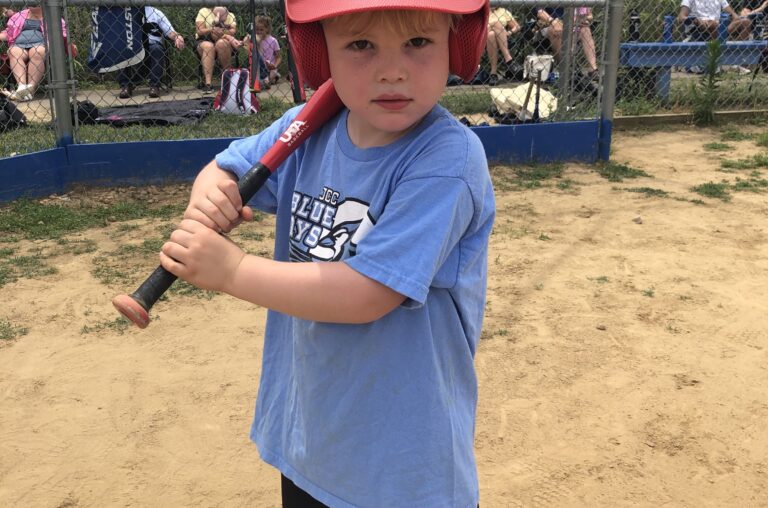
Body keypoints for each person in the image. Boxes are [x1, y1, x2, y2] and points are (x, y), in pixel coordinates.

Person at [158, 0, 495, 506]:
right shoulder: (308, 127)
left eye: (418, 42)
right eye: (361, 45)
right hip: (313, 443)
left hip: (400, 468)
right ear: (321, 56)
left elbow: (367, 293)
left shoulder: (446, 158)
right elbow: (227, 165)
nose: (392, 69)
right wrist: (212, 188)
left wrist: (232, 270)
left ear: (456, 45)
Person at [2, 3, 67, 102]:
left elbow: (61, 33)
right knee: (13, 51)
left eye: (36, 3)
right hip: (19, 45)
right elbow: (9, 32)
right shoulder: (19, 15)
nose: (32, 5)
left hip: (40, 44)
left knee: (38, 52)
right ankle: (22, 87)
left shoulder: (51, 16)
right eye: (31, 3)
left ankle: (30, 89)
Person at [118, 6, 185, 100]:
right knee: (122, 49)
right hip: (132, 45)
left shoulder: (156, 13)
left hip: (152, 44)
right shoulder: (125, 14)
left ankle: (155, 86)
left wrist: (177, 36)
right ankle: (125, 86)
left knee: (156, 48)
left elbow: (170, 32)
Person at [195, 6, 241, 94]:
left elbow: (233, 31)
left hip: (223, 39)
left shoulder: (230, 14)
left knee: (222, 44)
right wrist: (212, 29)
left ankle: (227, 80)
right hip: (204, 39)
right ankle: (208, 84)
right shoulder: (203, 11)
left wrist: (222, 31)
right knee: (209, 46)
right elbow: (200, 31)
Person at [677, 0, 752, 41]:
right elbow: (681, 17)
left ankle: (738, 58)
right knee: (713, 24)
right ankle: (715, 56)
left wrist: (737, 18)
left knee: (746, 22)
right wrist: (696, 20)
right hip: (698, 28)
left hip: (718, 28)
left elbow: (733, 14)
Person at [242, 14, 282, 85]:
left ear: (267, 29)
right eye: (256, 29)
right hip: (257, 66)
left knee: (270, 77)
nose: (259, 32)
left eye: (261, 29)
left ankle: (271, 78)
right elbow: (248, 53)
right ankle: (264, 80)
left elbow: (279, 57)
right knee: (255, 77)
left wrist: (274, 66)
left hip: (270, 67)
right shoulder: (253, 40)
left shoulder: (273, 41)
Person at [486, 7, 520, 85]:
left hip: (502, 38)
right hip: (485, 40)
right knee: (494, 26)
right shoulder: (483, 11)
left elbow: (517, 26)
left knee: (492, 34)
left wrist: (510, 32)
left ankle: (493, 74)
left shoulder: (503, 11)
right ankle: (509, 60)